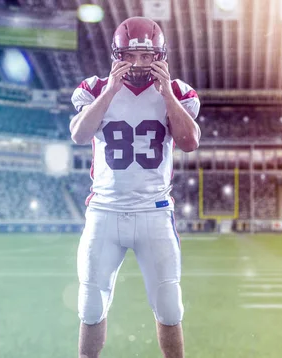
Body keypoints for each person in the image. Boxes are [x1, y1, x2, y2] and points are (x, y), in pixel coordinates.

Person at [69, 16, 201, 358]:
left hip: (154, 212)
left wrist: (167, 94)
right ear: (117, 54)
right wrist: (111, 91)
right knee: (91, 304)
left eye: (147, 56)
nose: (139, 63)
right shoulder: (95, 88)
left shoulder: (178, 91)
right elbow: (80, 135)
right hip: (104, 211)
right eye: (131, 55)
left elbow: (188, 142)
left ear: (160, 56)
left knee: (170, 307)